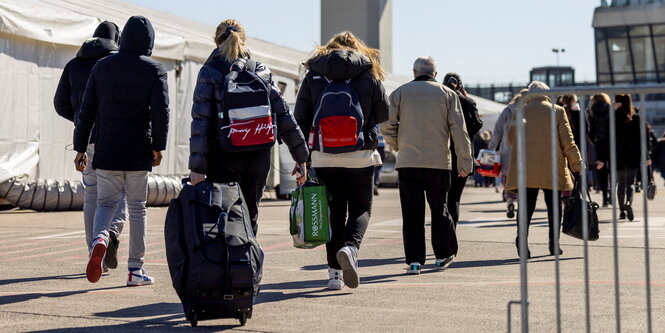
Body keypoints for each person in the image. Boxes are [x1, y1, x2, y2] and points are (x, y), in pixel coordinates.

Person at [73, 16, 170, 285]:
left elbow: (87, 111)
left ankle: (100, 239)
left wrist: (80, 147)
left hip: (106, 149)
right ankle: (135, 270)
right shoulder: (155, 69)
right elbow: (161, 112)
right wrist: (158, 146)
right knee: (137, 208)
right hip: (138, 149)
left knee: (105, 203)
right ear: (149, 40)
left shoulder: (102, 67)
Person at [189, 19, 309, 235]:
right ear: (244, 40)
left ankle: (226, 265)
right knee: (249, 216)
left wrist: (197, 168)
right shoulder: (261, 71)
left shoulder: (209, 71)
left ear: (216, 41)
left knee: (222, 218)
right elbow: (284, 116)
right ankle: (249, 264)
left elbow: (201, 122)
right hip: (258, 155)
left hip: (223, 155)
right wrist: (301, 157)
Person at [295, 31, 389, 290]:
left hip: (323, 155)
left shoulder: (314, 72)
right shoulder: (369, 72)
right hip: (360, 155)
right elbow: (383, 114)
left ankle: (334, 276)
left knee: (334, 212)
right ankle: (351, 247)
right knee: (361, 208)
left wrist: (301, 157)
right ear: (356, 47)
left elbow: (300, 117)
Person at [381, 56, 472, 275]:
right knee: (439, 208)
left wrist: (396, 144)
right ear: (435, 74)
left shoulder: (399, 93)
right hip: (438, 163)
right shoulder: (448, 94)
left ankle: (414, 261)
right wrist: (465, 159)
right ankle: (442, 255)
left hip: (408, 161)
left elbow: (386, 124)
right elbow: (458, 129)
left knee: (412, 213)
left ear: (414, 72)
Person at [53, 21, 127, 273]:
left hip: (86, 141)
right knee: (120, 193)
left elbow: (60, 103)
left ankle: (93, 250)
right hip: (114, 139)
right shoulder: (115, 64)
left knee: (92, 198)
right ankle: (110, 234)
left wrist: (80, 120)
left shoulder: (74, 64)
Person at [506, 81, 582, 258]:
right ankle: (553, 244)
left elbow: (511, 139)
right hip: (553, 166)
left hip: (526, 167)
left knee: (526, 207)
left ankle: (522, 242)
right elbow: (568, 142)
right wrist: (577, 164)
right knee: (554, 207)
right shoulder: (558, 111)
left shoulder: (519, 111)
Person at [442, 72, 482, 226]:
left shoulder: (441, 100)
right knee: (454, 198)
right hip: (463, 157)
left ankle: (444, 233)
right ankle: (452, 234)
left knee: (441, 199)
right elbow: (477, 126)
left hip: (442, 155)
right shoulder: (469, 102)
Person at [604, 94, 647, 221]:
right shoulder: (636, 117)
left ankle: (622, 210)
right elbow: (642, 138)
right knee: (631, 183)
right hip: (633, 153)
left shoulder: (613, 117)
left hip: (618, 154)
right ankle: (629, 202)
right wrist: (645, 155)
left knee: (621, 183)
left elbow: (607, 135)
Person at [489, 89, 528, 218]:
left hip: (507, 151)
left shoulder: (507, 111)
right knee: (524, 179)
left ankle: (510, 200)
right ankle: (522, 203)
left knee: (507, 177)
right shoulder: (530, 110)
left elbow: (497, 131)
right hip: (526, 151)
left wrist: (492, 148)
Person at [589, 93, 611, 207]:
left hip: (599, 143)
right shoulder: (610, 109)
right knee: (612, 169)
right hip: (611, 142)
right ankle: (612, 194)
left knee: (600, 170)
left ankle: (605, 198)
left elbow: (590, 130)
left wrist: (594, 141)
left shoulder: (592, 110)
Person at [373, 130, 386, 196]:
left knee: (372, 167)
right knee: (378, 168)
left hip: (373, 146)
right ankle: (375, 183)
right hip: (381, 146)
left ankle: (372, 184)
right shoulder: (382, 121)